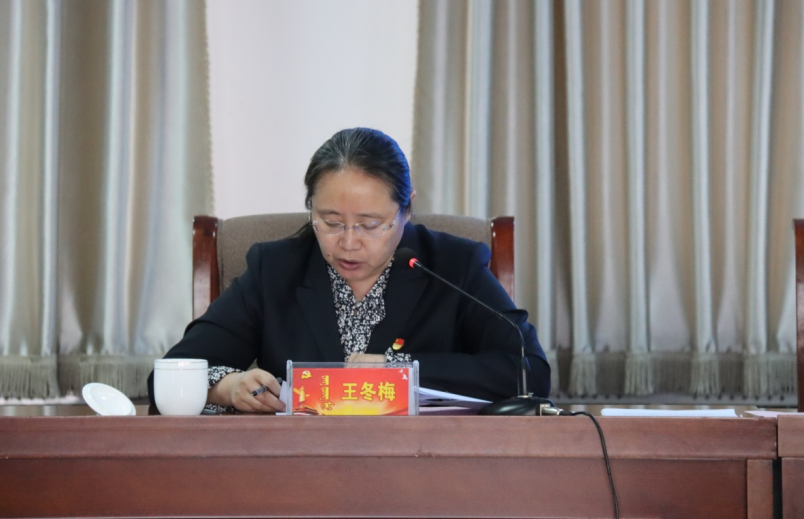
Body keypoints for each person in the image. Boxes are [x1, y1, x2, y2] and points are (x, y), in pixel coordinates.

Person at [148, 127, 550, 413]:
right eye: (331, 222)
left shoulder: (452, 264)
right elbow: (169, 375)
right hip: (297, 471)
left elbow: (529, 371)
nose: (349, 242)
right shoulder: (276, 269)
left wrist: (402, 370)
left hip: (421, 470)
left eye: (370, 225)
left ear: (406, 209)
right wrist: (227, 387)